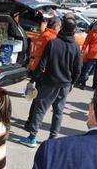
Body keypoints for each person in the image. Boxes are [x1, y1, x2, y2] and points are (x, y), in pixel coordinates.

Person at [18, 18, 82, 148]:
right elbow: (78, 69)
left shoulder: (53, 43)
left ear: (62, 27)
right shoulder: (75, 47)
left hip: (49, 82)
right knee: (58, 112)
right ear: (73, 31)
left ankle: (32, 137)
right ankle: (53, 139)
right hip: (64, 84)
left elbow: (42, 64)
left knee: (40, 110)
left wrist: (34, 79)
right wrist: (72, 82)